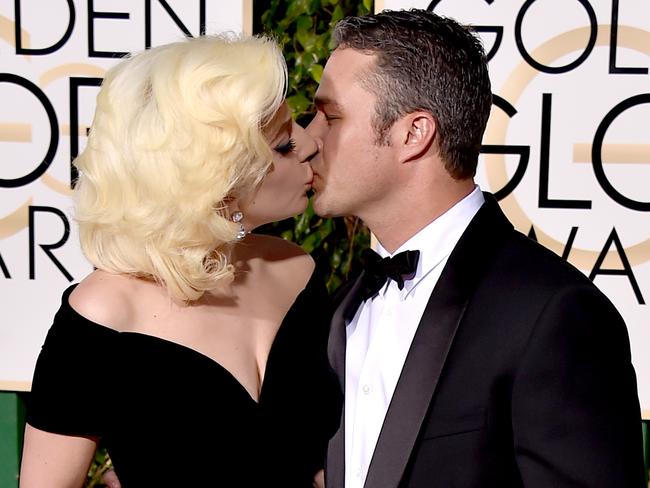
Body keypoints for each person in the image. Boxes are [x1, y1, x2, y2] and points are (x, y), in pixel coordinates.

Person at [305, 9, 646, 488]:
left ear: (413, 134)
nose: (307, 140)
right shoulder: (342, 308)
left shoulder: (551, 313)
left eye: (330, 117)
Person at [20, 34, 341, 488]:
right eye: (284, 145)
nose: (311, 144)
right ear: (216, 178)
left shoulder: (299, 271)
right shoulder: (103, 316)